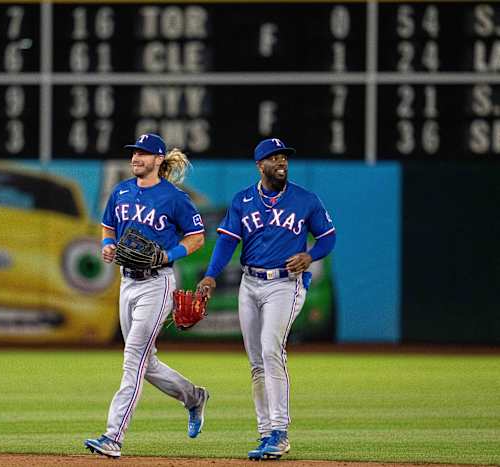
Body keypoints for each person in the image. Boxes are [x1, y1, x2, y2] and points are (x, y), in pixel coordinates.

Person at [197, 138, 336, 460]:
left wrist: (310, 255)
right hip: (250, 283)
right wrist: (210, 275)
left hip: (285, 284)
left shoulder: (305, 200)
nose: (281, 163)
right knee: (257, 362)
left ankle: (280, 432)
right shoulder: (243, 200)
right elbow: (227, 242)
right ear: (260, 165)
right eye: (273, 158)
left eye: (284, 157)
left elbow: (328, 237)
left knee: (272, 350)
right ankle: (265, 433)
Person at [84, 133, 209, 459]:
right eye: (134, 153)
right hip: (127, 283)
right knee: (145, 362)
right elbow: (107, 225)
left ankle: (113, 437)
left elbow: (197, 237)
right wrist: (107, 245)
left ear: (158, 160)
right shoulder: (121, 191)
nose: (136, 158)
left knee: (133, 360)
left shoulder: (174, 197)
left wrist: (168, 255)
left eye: (143, 153)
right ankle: (193, 397)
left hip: (158, 284)